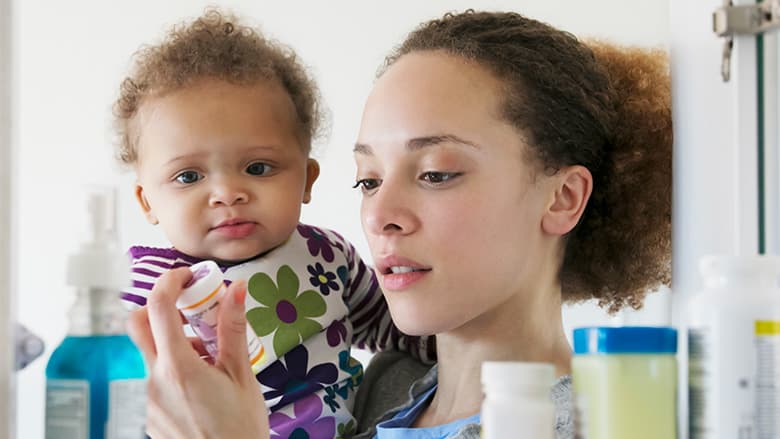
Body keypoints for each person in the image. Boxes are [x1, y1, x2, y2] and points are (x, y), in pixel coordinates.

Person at [128, 9, 672, 439]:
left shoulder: (606, 424)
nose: (379, 216)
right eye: (368, 180)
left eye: (435, 173)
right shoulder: (378, 389)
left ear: (563, 197)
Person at [115, 9, 433, 438]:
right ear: (147, 201)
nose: (227, 192)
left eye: (259, 167)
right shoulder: (149, 290)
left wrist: (471, 348)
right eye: (188, 176)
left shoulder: (330, 256)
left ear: (306, 179)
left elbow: (391, 327)